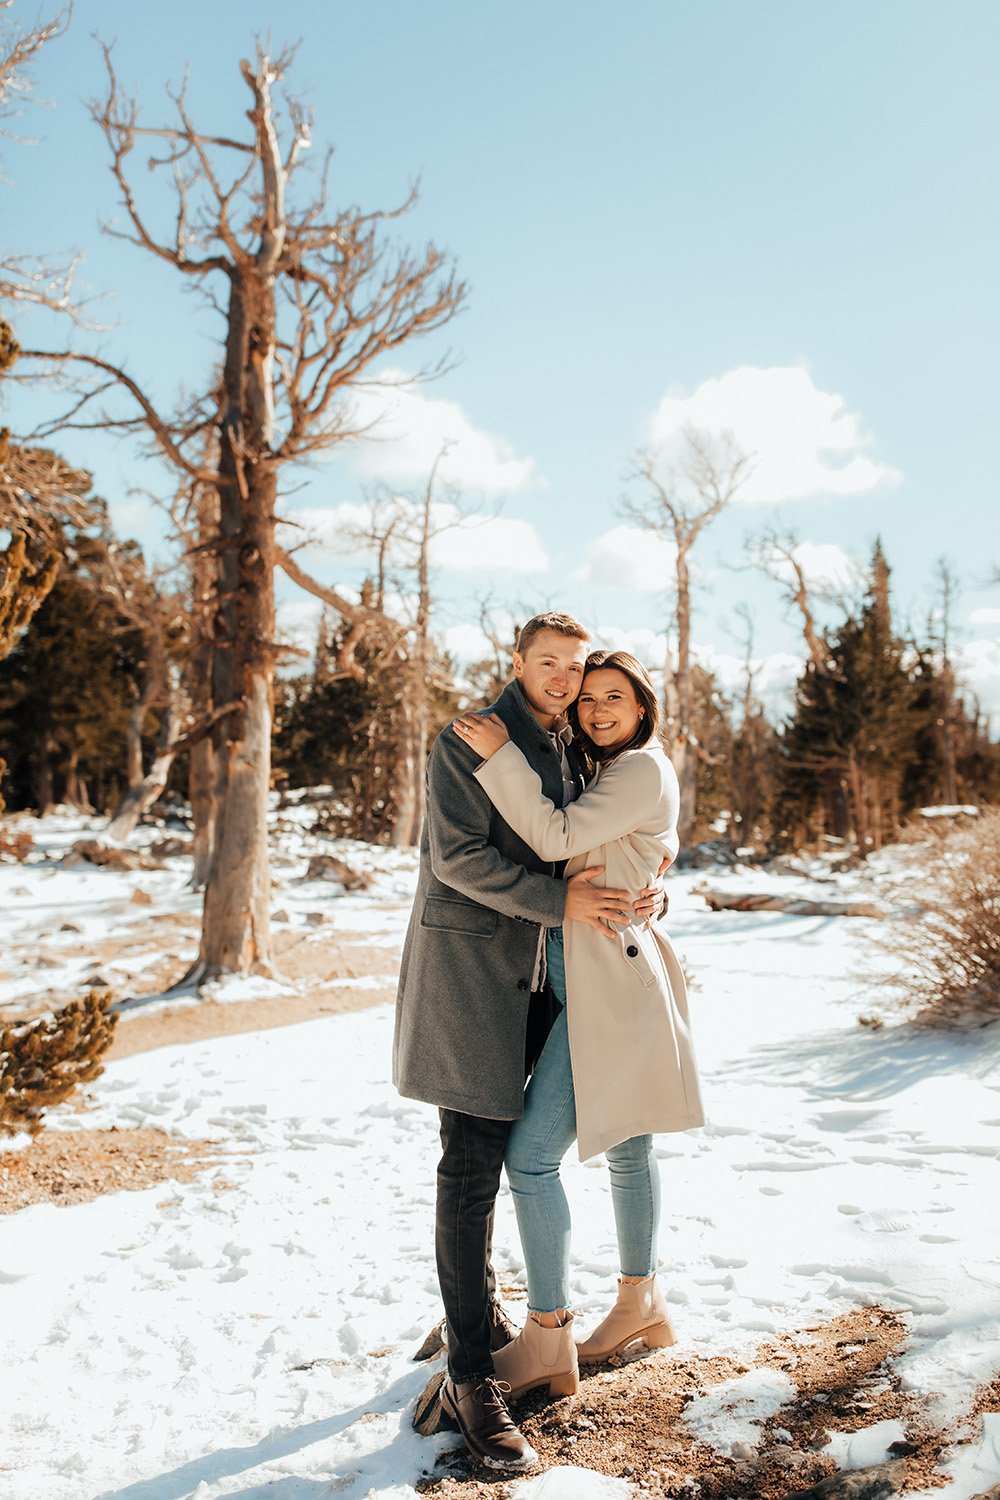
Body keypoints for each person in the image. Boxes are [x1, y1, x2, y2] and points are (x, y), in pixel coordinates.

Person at [393, 615, 664, 1471]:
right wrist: (567, 907)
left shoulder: (582, 745)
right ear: (518, 663)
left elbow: (610, 837)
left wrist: (652, 892)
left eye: (574, 667)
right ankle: (473, 1373)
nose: (561, 679)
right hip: (475, 980)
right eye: (546, 663)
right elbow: (457, 859)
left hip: (557, 983)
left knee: (535, 1152)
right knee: (471, 1165)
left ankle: (512, 1322)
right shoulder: (472, 738)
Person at [451, 649, 704, 1406]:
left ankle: (549, 1335)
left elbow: (560, 837)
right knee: (629, 1146)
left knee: (530, 1158)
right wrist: (660, 872)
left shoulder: (640, 769)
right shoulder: (618, 767)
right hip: (597, 977)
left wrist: (499, 759)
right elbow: (647, 841)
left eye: (613, 696)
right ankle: (641, 1305)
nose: (595, 708)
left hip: (612, 987)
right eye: (588, 697)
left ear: (643, 705)